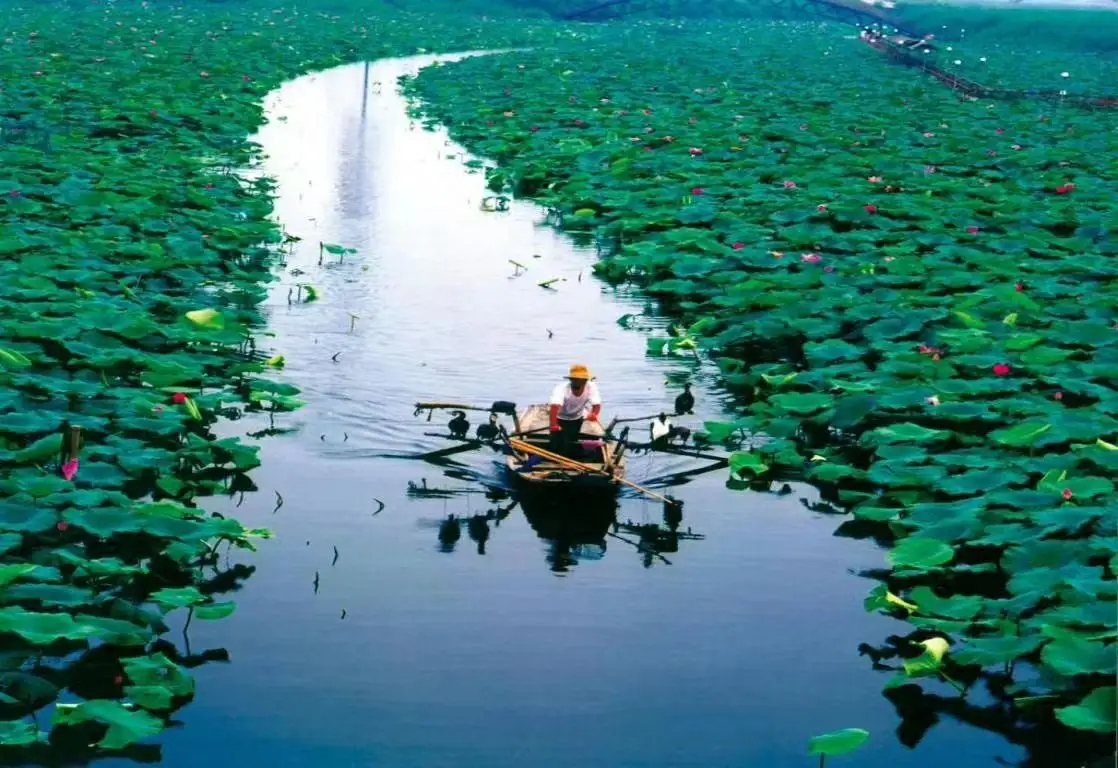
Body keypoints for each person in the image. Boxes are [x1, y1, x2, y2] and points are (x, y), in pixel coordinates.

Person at [548, 364, 602, 459]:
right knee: (556, 443)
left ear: (585, 380)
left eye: (582, 380)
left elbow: (596, 404)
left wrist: (594, 414)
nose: (579, 382)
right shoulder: (561, 389)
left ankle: (570, 456)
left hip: (576, 417)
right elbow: (554, 407)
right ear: (571, 380)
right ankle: (555, 455)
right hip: (559, 416)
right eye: (576, 379)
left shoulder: (591, 386)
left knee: (571, 440)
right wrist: (553, 425)